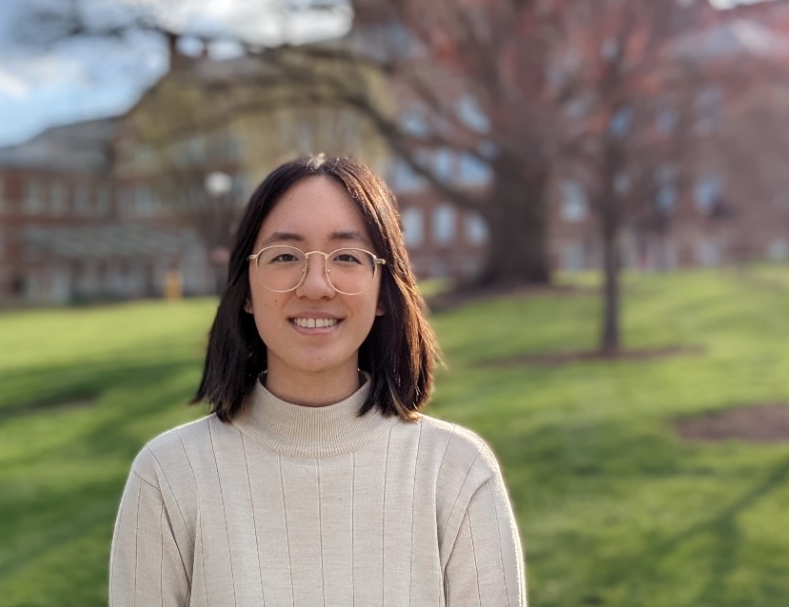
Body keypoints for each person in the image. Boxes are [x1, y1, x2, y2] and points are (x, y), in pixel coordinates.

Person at [109, 155, 525, 606]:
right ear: (246, 289)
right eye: (285, 255)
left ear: (383, 289)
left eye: (346, 256)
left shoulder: (456, 473)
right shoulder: (169, 475)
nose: (315, 284)